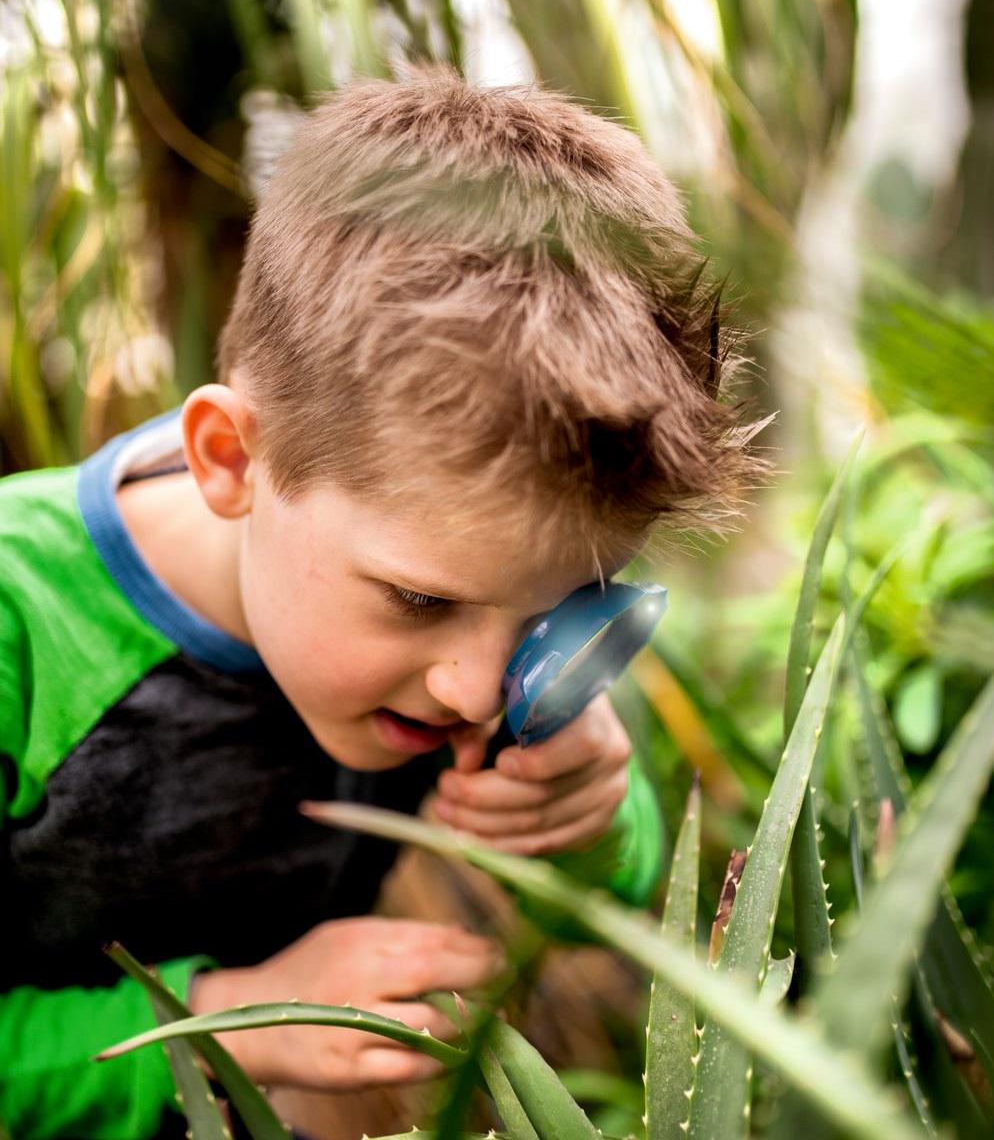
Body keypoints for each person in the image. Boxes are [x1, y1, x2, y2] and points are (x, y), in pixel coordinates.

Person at [0, 68, 764, 1138]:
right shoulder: (21, 619)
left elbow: (608, 876)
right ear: (229, 456)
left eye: (571, 604)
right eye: (415, 598)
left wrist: (587, 806)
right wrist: (221, 1019)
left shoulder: (469, 623)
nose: (478, 690)